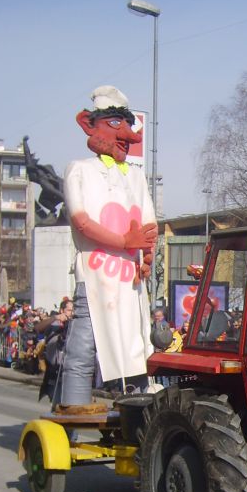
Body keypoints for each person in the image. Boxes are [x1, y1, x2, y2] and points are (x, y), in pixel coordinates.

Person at [58, 85, 158, 414]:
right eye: (117, 125)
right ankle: (72, 412)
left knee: (137, 346)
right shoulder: (80, 170)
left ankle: (138, 418)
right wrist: (125, 243)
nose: (128, 137)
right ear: (91, 124)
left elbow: (149, 225)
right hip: (96, 276)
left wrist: (146, 257)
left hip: (130, 283)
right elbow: (82, 221)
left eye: (129, 127)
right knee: (84, 346)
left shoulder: (136, 178)